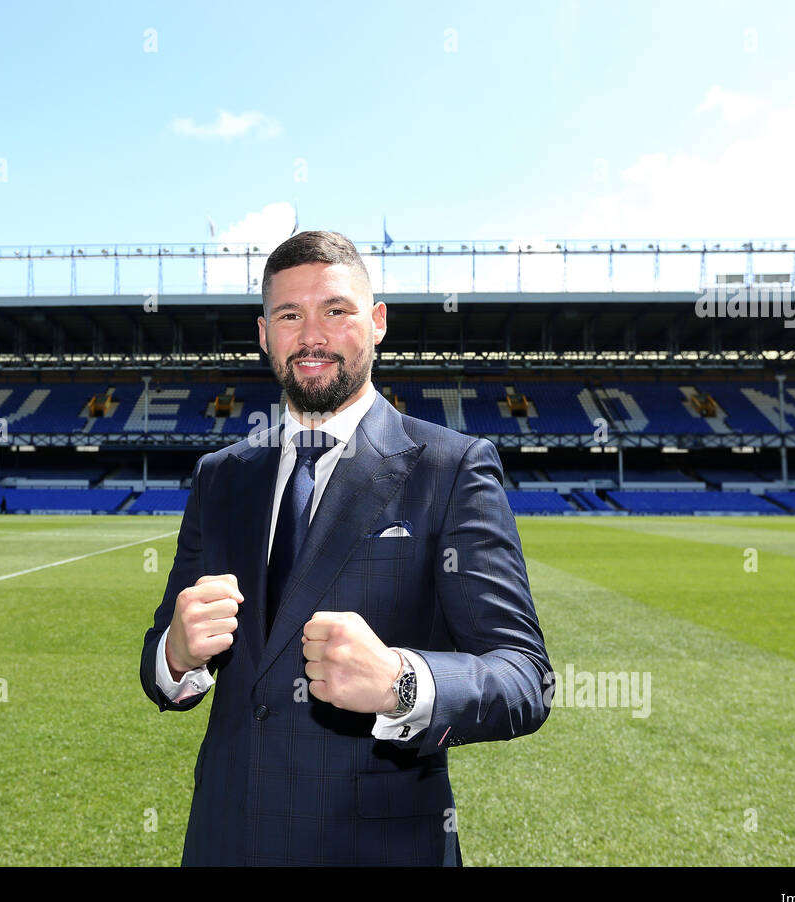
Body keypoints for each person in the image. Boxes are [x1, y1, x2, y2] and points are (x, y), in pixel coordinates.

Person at [139, 230, 551, 866]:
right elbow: (161, 667)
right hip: (227, 841)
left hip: (375, 848)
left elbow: (525, 678)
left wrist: (404, 683)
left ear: (378, 322)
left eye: (336, 310)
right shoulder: (221, 476)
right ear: (263, 333)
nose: (311, 336)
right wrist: (176, 652)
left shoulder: (450, 468)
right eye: (289, 315)